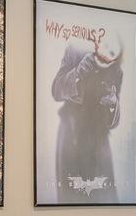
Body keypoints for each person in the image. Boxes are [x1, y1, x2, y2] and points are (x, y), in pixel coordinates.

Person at [50, 28, 125, 201]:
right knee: (70, 201)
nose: (107, 52)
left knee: (105, 201)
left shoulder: (116, 72)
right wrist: (78, 72)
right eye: (105, 44)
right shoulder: (75, 51)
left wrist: (113, 104)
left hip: (100, 144)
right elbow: (56, 90)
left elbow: (113, 122)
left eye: (112, 52)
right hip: (72, 136)